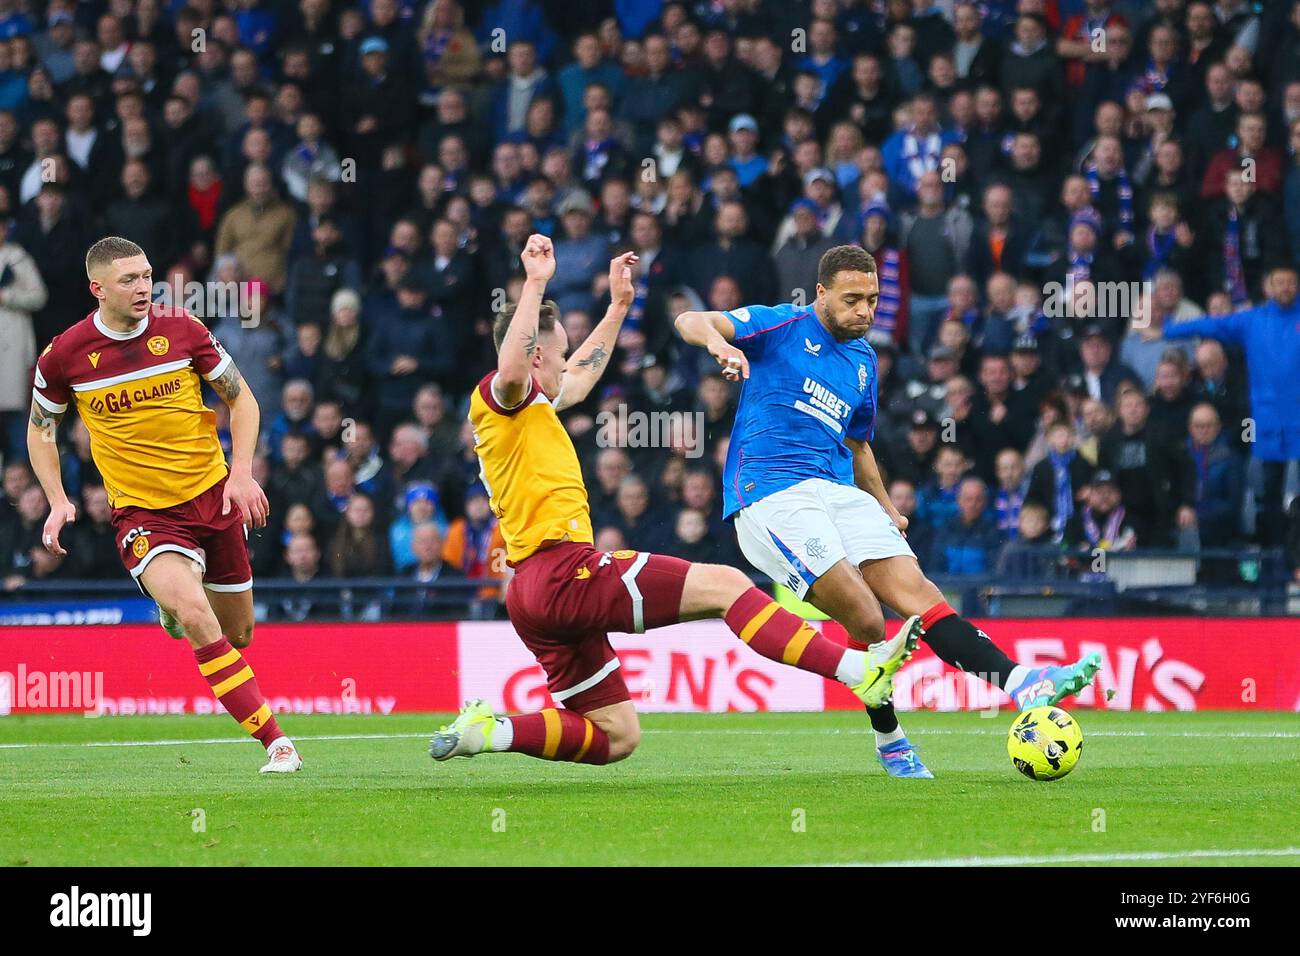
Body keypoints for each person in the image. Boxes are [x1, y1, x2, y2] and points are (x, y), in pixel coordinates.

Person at [430, 238, 910, 769]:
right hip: (563, 569)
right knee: (727, 586)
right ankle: (856, 671)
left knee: (616, 736)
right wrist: (537, 281)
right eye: (559, 352)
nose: (567, 361)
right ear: (536, 353)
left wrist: (617, 307)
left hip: (532, 595)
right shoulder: (504, 395)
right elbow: (517, 368)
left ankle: (490, 731)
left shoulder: (535, 406)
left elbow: (583, 376)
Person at [675, 244, 1101, 779]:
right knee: (867, 618)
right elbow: (689, 318)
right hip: (771, 492)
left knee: (920, 599)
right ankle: (890, 739)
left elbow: (858, 445)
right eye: (852, 300)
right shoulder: (779, 326)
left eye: (873, 300)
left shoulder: (863, 361)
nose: (865, 313)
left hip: (837, 490)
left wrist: (885, 505)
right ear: (821, 294)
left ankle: (1021, 683)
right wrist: (720, 345)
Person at [26, 236, 300, 774]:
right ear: (96, 288)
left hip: (211, 497)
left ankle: (170, 608)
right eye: (129, 279)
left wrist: (240, 474)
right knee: (200, 616)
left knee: (238, 633)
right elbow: (40, 429)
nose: (143, 288)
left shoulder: (185, 330)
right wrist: (57, 501)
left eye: (148, 275)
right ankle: (277, 744)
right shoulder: (65, 354)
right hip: (144, 515)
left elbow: (241, 398)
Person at [1164, 265, 1300, 547]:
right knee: (1270, 497)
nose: (1286, 287)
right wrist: (1168, 331)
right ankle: (1274, 565)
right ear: (1268, 287)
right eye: (1280, 282)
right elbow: (1210, 325)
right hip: (1269, 423)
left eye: (1290, 283)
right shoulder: (1253, 320)